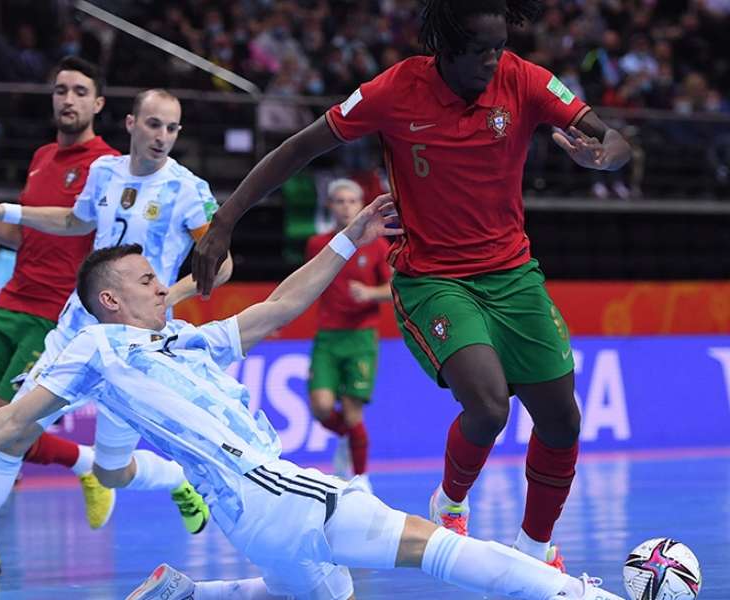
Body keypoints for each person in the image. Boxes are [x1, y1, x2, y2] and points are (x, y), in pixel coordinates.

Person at [0, 198, 624, 600]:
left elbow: (279, 304)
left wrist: (349, 240)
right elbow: (7, 423)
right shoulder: (96, 350)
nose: (160, 284)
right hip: (273, 489)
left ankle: (192, 593)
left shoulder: (186, 339)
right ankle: (585, 597)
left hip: (250, 517)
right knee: (440, 550)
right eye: (147, 279)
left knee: (336, 593)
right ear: (111, 300)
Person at [192, 0, 632, 570]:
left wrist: (606, 159)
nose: (494, 60)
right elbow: (300, 147)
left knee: (563, 420)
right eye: (481, 51)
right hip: (434, 280)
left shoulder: (522, 79)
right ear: (445, 50)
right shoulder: (395, 91)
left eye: (500, 46)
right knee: (489, 405)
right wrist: (224, 222)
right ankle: (449, 501)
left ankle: (532, 550)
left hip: (514, 275)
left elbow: (614, 138)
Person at [0, 88, 233, 587]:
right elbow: (74, 221)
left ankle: (177, 479)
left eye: (172, 128)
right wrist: (3, 211)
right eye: (154, 125)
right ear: (132, 124)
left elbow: (220, 265)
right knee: (13, 432)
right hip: (75, 331)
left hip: (133, 347)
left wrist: (167, 296)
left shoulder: (188, 189)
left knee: (114, 470)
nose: (163, 137)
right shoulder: (105, 172)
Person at [0, 55, 120, 579]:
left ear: (98, 103)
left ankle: (87, 466)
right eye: (61, 89)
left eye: (80, 91)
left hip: (55, 315)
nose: (68, 99)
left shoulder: (105, 164)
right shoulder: (42, 156)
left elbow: (75, 227)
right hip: (10, 302)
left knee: (1, 427)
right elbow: (24, 236)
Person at [306, 178, 391, 488]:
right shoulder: (317, 245)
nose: (345, 206)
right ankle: (348, 439)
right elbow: (307, 285)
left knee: (353, 411)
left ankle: (360, 477)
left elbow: (395, 289)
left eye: (351, 201)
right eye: (339, 201)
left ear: (361, 206)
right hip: (328, 337)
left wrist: (369, 293)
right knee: (322, 407)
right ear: (330, 206)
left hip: (361, 338)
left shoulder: (378, 246)